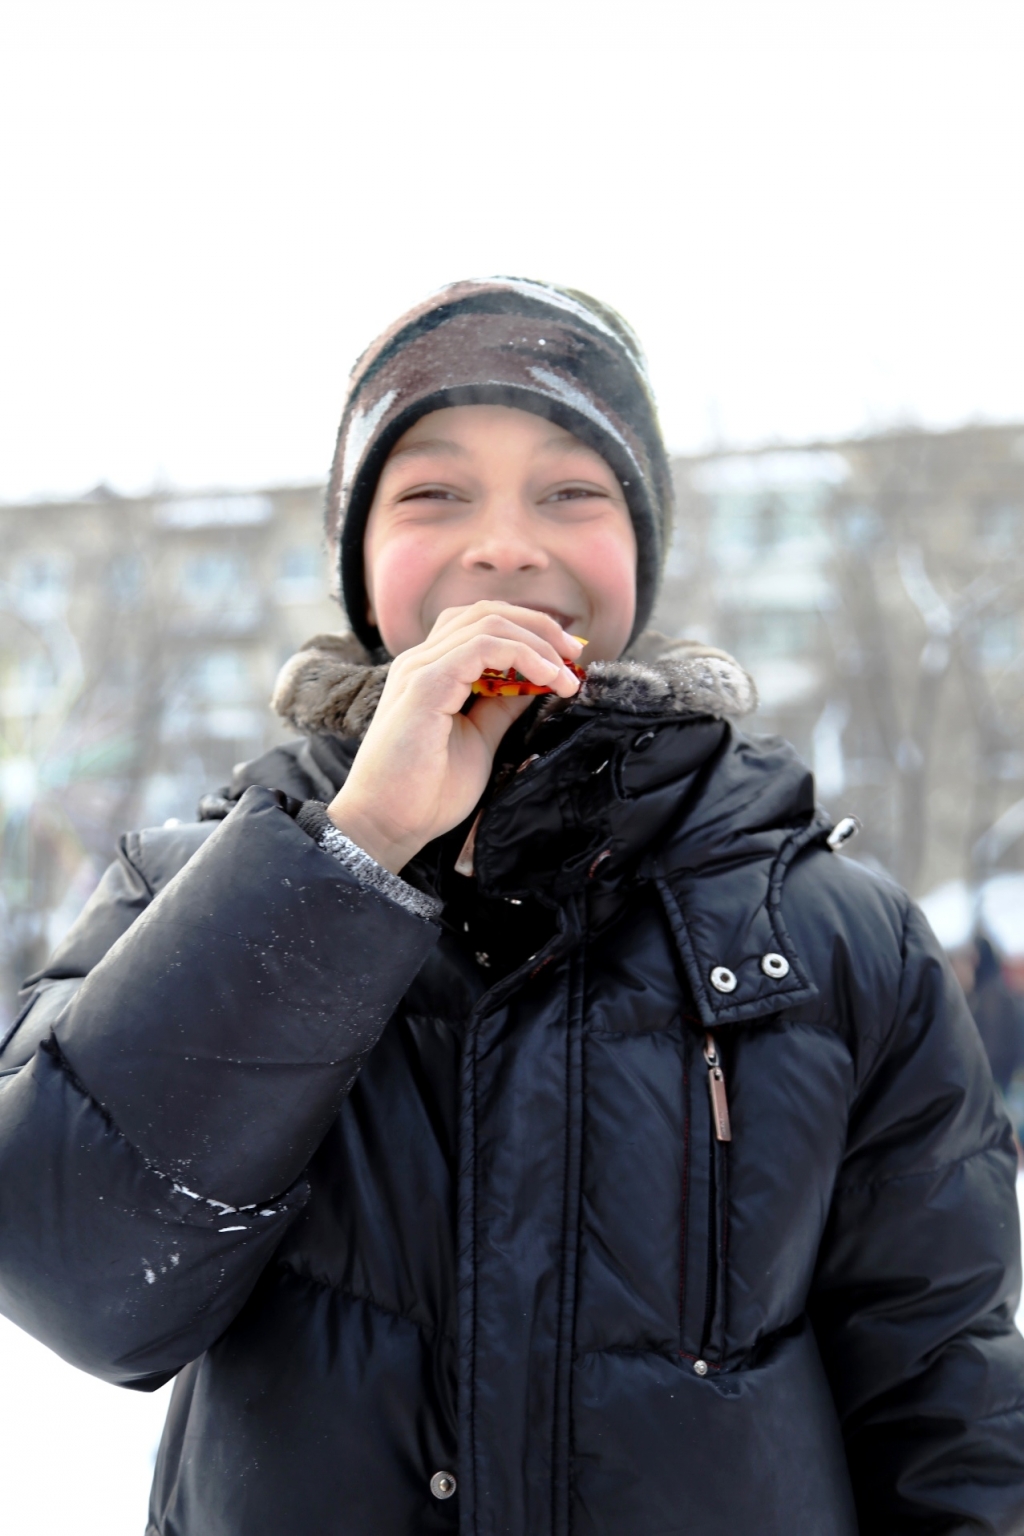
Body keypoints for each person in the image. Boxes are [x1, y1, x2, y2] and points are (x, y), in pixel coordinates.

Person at [1, 278, 1023, 1536]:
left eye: (571, 492)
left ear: (640, 549)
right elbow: (81, 1280)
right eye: (431, 493)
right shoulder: (195, 884)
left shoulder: (833, 931)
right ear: (355, 560)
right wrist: (358, 847)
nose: (504, 544)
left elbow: (946, 1396)